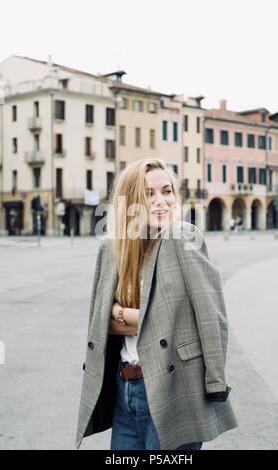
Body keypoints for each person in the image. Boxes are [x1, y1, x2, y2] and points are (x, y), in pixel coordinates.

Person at [76, 158, 238, 450]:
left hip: (173, 387)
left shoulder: (183, 238)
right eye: (149, 194)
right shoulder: (113, 248)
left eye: (167, 191)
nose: (161, 201)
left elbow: (210, 313)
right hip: (125, 388)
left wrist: (215, 380)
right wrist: (133, 316)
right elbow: (100, 321)